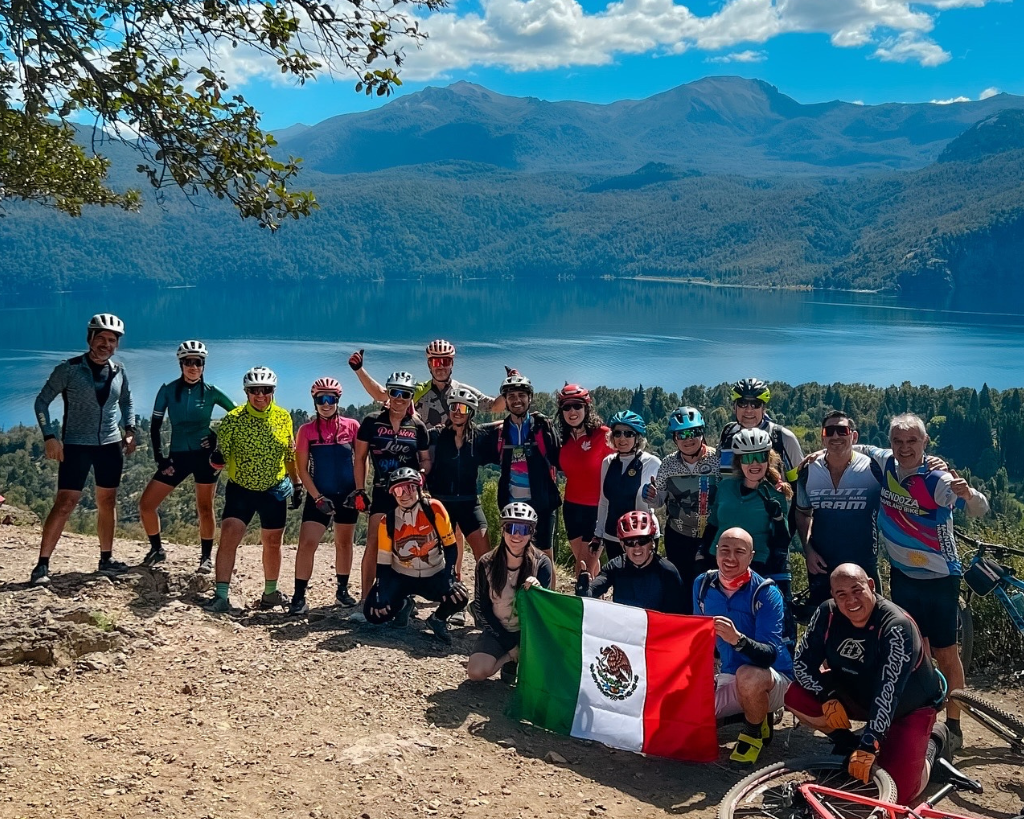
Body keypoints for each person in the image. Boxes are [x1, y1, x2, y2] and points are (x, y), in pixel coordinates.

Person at [857, 413, 990, 752]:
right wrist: (818, 455)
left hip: (940, 577)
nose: (905, 448)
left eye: (912, 441)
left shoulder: (937, 478)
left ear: (925, 442)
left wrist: (970, 495)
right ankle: (924, 717)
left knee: (946, 652)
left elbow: (979, 509)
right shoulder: (885, 462)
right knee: (917, 651)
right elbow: (854, 445)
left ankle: (955, 725)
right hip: (903, 575)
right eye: (898, 441)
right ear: (891, 444)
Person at [786, 563, 946, 803]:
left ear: (871, 585)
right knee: (795, 697)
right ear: (833, 596)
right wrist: (826, 694)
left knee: (899, 793)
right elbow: (801, 664)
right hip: (857, 695)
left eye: (857, 590)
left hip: (908, 707)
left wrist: (870, 743)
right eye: (841, 594)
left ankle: (934, 739)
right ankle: (849, 747)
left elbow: (888, 691)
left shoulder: (896, 626)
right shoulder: (827, 614)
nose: (851, 600)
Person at [30, 313, 137, 585]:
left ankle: (106, 558)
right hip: (76, 445)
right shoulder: (69, 369)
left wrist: (130, 430)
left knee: (108, 501)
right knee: (65, 503)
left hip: (110, 446)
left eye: (111, 340)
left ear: (117, 344)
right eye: (100, 338)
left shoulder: (119, 371)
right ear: (89, 338)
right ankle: (42, 565)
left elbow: (126, 401)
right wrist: (50, 437)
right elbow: (41, 403)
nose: (106, 344)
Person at [204, 366, 300, 613]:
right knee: (229, 538)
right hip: (241, 490)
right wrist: (215, 458)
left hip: (274, 490)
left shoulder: (283, 417)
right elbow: (221, 456)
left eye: (265, 390)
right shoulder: (233, 420)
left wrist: (297, 483)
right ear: (246, 392)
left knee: (272, 542)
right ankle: (221, 596)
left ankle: (270, 594)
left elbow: (290, 454)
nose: (260, 395)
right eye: (254, 390)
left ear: (273, 391)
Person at [694, 527, 792, 765]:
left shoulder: (766, 593)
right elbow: (700, 640)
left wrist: (737, 639)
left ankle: (753, 732)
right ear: (715, 552)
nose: (730, 558)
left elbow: (769, 655)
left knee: (748, 676)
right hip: (729, 674)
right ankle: (757, 714)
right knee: (690, 714)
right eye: (725, 550)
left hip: (774, 676)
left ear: (751, 556)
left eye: (740, 551)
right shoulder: (703, 584)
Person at [139, 340, 235, 573]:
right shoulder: (168, 390)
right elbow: (154, 426)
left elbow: (237, 417)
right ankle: (157, 549)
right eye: (188, 362)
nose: (193, 367)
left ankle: (205, 558)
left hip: (205, 457)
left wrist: (217, 438)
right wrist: (160, 458)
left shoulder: (212, 392)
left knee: (205, 508)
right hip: (177, 457)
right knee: (146, 505)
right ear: (181, 364)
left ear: (203, 365)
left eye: (198, 362)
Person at [352, 371, 431, 616]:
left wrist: (421, 475)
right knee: (374, 544)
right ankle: (365, 600)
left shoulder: (417, 426)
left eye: (404, 394)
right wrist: (359, 490)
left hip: (409, 495)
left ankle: (403, 600)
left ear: (411, 397)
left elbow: (425, 459)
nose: (399, 398)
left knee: (407, 546)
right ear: (387, 393)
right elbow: (360, 458)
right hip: (381, 491)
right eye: (394, 392)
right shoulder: (372, 421)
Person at [364, 468, 467, 643]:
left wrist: (450, 577)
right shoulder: (387, 521)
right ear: (392, 494)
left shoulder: (434, 509)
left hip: (433, 574)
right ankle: (403, 604)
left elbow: (451, 547)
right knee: (373, 612)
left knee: (460, 596)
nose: (404, 494)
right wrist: (381, 590)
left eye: (410, 488)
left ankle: (437, 620)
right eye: (398, 490)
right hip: (401, 577)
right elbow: (383, 563)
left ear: (419, 488)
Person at [794, 411, 882, 608]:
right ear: (822, 436)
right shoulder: (808, 471)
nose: (835, 436)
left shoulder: (873, 468)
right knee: (825, 626)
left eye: (842, 431)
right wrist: (808, 550)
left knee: (871, 622)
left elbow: (903, 459)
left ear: (854, 436)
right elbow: (802, 512)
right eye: (830, 431)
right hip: (822, 564)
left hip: (863, 561)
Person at [289, 377, 361, 616]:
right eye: (321, 399)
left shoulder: (352, 426)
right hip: (319, 495)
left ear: (338, 400)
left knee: (344, 543)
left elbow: (361, 461)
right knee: (307, 544)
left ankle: (342, 591)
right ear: (315, 401)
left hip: (347, 494)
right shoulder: (306, 430)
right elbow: (301, 469)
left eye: (330, 399)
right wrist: (317, 497)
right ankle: (298, 597)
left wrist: (359, 491)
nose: (326, 404)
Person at [479, 371, 561, 570]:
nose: (517, 400)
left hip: (542, 502)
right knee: (513, 553)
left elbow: (561, 457)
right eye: (511, 396)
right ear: (505, 401)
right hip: (512, 503)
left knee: (545, 555)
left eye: (522, 396)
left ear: (530, 398)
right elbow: (471, 439)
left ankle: (546, 599)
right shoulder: (499, 432)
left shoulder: (543, 428)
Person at [645, 406, 720, 613]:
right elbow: (659, 499)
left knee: (710, 587)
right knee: (681, 586)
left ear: (702, 433)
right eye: (682, 434)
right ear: (674, 438)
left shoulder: (718, 459)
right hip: (679, 536)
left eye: (694, 432)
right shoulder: (668, 464)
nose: (688, 439)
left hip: (711, 536)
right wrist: (651, 497)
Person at [467, 502, 553, 683]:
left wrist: (538, 591)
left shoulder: (542, 563)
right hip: (498, 629)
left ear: (531, 532)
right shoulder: (486, 563)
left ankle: (514, 659)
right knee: (476, 672)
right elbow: (482, 609)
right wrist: (510, 646)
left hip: (528, 632)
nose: (516, 535)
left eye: (524, 529)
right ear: (502, 530)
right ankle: (512, 657)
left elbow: (545, 611)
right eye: (511, 527)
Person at [703, 428, 793, 599]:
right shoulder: (725, 487)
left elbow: (782, 541)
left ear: (768, 460)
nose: (754, 464)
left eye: (760, 457)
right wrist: (701, 555)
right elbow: (713, 525)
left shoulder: (775, 494)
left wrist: (778, 518)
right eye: (747, 458)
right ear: (739, 461)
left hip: (755, 566)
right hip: (717, 561)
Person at [348, 339, 505, 428]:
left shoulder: (463, 391)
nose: (441, 367)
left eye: (445, 361)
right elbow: (382, 395)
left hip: (454, 453)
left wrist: (510, 388)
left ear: (452, 364)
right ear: (429, 365)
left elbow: (495, 406)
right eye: (436, 362)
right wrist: (359, 370)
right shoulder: (418, 390)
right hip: (424, 453)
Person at [426, 386, 490, 566]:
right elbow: (415, 432)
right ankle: (445, 588)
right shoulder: (437, 435)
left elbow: (500, 425)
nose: (457, 412)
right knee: (440, 557)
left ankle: (484, 594)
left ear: (471, 412)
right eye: (453, 407)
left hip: (469, 502)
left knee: (485, 556)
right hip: (441, 502)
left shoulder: (478, 436)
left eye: (462, 409)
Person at [555, 383, 613, 577]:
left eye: (577, 406)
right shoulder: (564, 440)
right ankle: (598, 599)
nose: (572, 411)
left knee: (583, 567)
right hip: (571, 508)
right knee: (586, 564)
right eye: (566, 407)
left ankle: (585, 601)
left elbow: (627, 457)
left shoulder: (603, 435)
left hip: (597, 510)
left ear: (586, 407)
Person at [576, 511, 684, 614]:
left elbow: (678, 617)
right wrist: (584, 589)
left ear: (652, 543)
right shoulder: (615, 566)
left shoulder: (668, 572)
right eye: (630, 542)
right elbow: (591, 592)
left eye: (643, 541)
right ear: (623, 545)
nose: (637, 547)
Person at [592, 411, 661, 563]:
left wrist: (656, 496)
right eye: (617, 433)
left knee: (643, 582)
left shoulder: (652, 463)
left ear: (638, 437)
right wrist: (598, 534)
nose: (622, 438)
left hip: (642, 538)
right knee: (619, 583)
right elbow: (604, 501)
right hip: (613, 535)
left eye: (628, 434)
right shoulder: (607, 462)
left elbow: (661, 501)